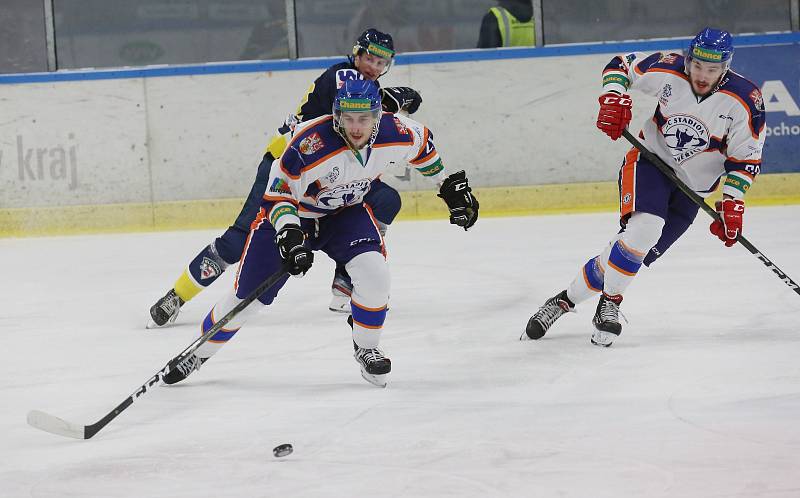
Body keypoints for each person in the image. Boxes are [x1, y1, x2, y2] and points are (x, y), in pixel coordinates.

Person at [162, 79, 479, 388]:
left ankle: (367, 347)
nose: (356, 128)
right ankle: (197, 353)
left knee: (375, 273)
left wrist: (448, 189)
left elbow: (424, 148)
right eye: (348, 119)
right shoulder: (309, 143)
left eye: (364, 119)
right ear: (337, 116)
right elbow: (278, 194)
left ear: (378, 118)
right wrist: (289, 235)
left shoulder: (395, 132)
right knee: (249, 299)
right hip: (291, 216)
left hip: (344, 214)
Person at [148, 28, 424, 328]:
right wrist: (394, 99)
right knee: (241, 240)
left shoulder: (363, 88)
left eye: (381, 63)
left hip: (326, 175)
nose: (374, 66)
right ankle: (177, 295)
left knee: (385, 201)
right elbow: (363, 103)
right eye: (369, 58)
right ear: (356, 54)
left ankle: (345, 282)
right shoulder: (342, 76)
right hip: (286, 168)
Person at [521, 27, 765, 346]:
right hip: (651, 162)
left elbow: (744, 160)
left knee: (624, 255)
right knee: (645, 229)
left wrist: (733, 202)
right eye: (698, 66)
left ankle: (562, 301)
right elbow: (620, 65)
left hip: (694, 192)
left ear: (726, 66)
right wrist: (614, 96)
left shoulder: (746, 100)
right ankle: (610, 304)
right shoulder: (669, 67)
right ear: (689, 58)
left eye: (713, 69)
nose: (703, 75)